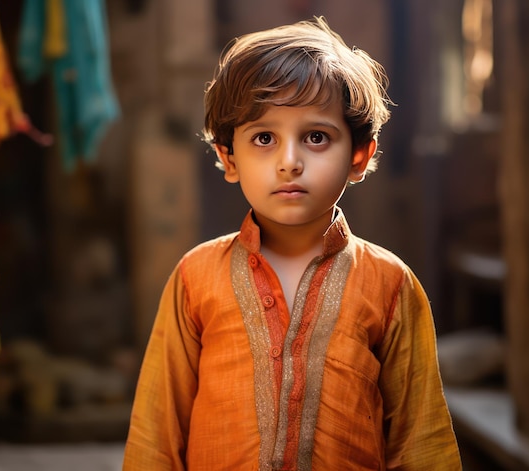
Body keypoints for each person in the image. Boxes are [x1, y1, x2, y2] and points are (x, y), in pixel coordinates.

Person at [122, 16, 461, 471]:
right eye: (264, 138)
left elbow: (422, 442)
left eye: (316, 137)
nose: (289, 162)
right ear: (228, 157)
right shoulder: (195, 276)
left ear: (360, 156)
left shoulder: (390, 284)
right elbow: (155, 435)